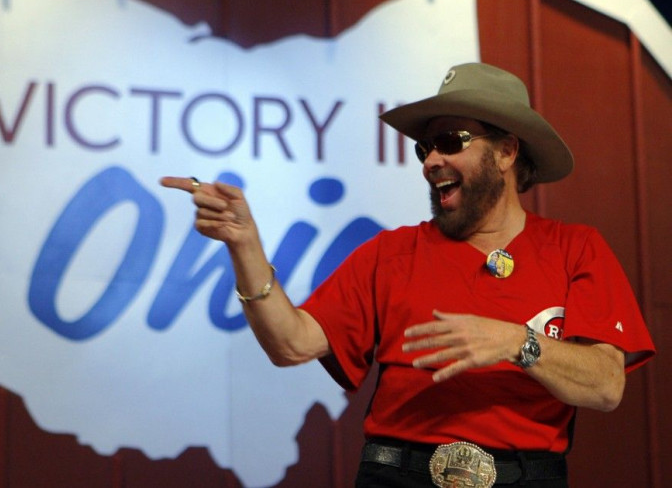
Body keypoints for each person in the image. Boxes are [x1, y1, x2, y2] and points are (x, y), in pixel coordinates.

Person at [161, 62, 655, 487]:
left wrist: (515, 342)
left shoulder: (576, 248)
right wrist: (245, 245)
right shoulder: (392, 252)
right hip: (398, 472)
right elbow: (291, 344)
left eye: (448, 142)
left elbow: (607, 385)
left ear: (506, 152)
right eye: (425, 148)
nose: (430, 161)